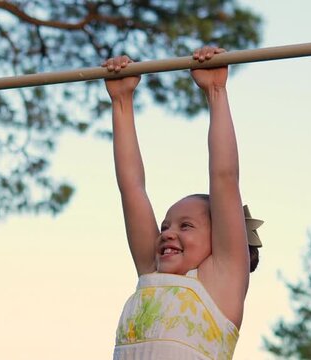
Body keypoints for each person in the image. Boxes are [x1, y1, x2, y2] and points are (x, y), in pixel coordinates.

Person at [103, 46, 263, 359]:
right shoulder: (152, 272)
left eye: (185, 225)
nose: (167, 233)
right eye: (165, 226)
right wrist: (122, 101)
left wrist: (216, 92)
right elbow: (132, 188)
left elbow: (224, 177)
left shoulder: (221, 282)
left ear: (220, 238)